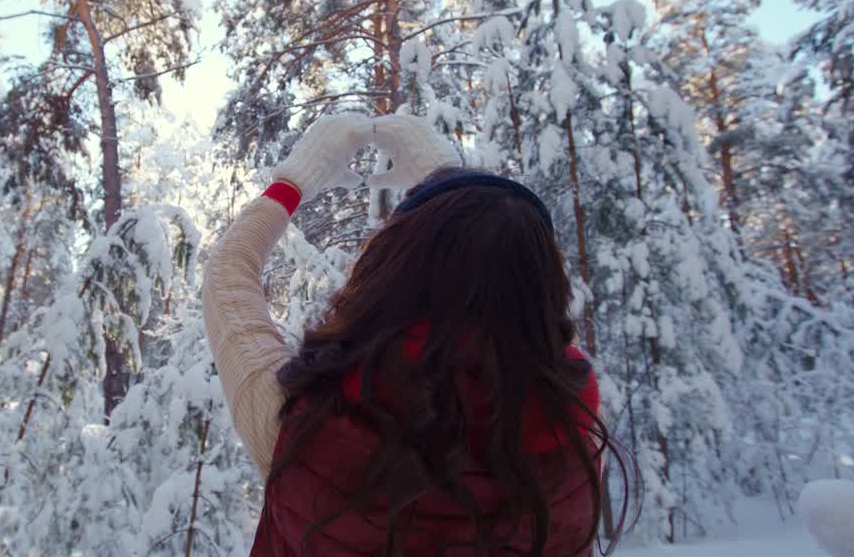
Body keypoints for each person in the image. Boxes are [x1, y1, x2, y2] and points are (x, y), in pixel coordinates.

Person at [202, 113, 631, 556]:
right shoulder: (573, 437)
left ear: (386, 273)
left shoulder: (298, 422)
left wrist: (291, 184)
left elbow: (229, 278)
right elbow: (516, 316)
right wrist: (444, 177)